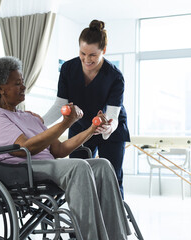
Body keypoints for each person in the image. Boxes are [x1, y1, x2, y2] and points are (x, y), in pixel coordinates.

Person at [0, 56, 130, 240]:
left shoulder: (29, 116)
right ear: (1, 89)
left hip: (46, 165)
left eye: (23, 82)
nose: (23, 87)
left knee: (103, 165)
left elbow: (58, 150)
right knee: (78, 166)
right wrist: (66, 123)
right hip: (21, 169)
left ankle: (117, 237)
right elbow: (24, 149)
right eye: (17, 83)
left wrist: (91, 130)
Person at [43, 19, 130, 198]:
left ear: (103, 51)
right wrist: (38, 123)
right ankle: (82, 219)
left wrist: (107, 126)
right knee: (77, 176)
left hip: (110, 130)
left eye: (93, 55)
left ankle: (115, 220)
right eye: (83, 53)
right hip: (81, 126)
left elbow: (113, 114)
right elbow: (60, 104)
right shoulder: (68, 68)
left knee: (112, 178)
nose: (86, 59)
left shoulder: (115, 76)